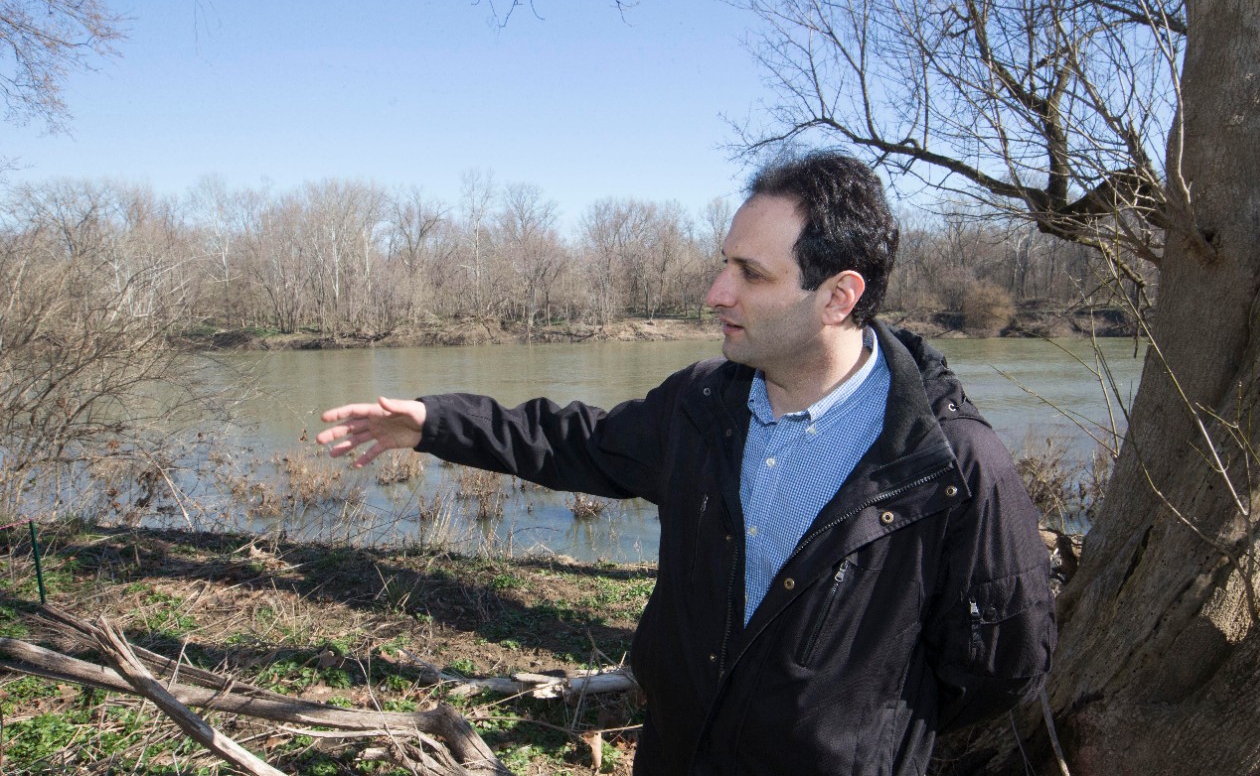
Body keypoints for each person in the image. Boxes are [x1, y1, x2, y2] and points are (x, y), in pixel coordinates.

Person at [317, 151, 1055, 775]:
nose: (716, 292)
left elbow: (999, 669)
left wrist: (852, 732)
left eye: (750, 273)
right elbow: (574, 441)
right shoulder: (704, 405)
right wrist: (433, 422)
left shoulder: (950, 468)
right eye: (722, 264)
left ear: (839, 295)